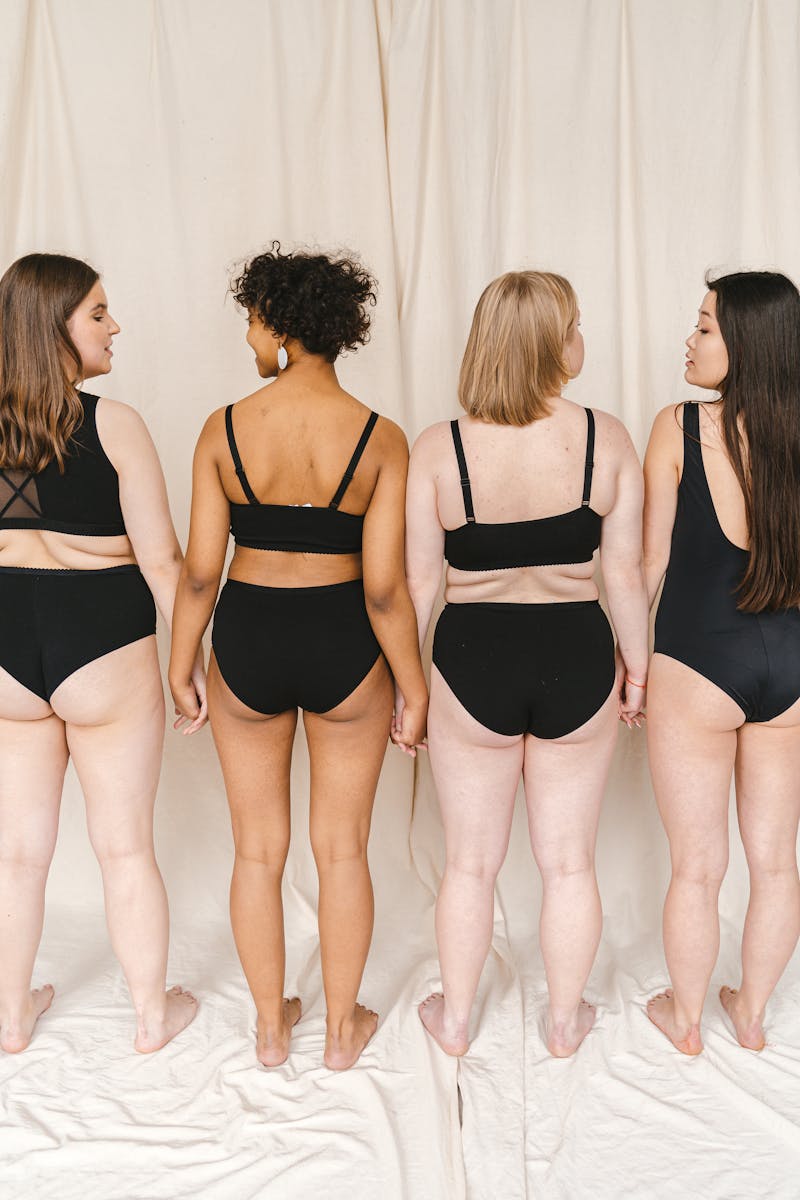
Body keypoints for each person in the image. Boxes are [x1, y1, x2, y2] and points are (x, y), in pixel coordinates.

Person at [169, 244, 427, 1070]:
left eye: (253, 319)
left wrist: (182, 660)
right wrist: (412, 686)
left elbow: (202, 569)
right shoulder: (381, 439)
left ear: (279, 326)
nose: (249, 335)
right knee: (342, 848)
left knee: (257, 849)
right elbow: (385, 590)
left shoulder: (225, 428)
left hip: (246, 637)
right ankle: (343, 1032)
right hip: (345, 643)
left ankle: (271, 1029)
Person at [405, 270, 648, 1058]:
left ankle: (458, 1020)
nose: (584, 338)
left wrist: (411, 692)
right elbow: (625, 576)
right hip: (577, 655)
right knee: (569, 862)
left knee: (470, 864)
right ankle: (564, 1021)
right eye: (575, 324)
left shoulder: (439, 448)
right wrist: (636, 669)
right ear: (553, 344)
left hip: (471, 658)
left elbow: (417, 583)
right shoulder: (605, 437)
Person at [0, 253, 204, 1054]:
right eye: (97, 313)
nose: (113, 326)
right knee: (124, 847)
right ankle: (153, 1017)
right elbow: (165, 566)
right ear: (54, 327)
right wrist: (189, 667)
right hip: (105, 648)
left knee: (16, 853)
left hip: (8, 650)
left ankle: (11, 1016)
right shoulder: (112, 424)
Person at [644, 271, 800, 1055]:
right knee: (777, 864)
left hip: (698, 661)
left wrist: (631, 667)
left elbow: (646, 567)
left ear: (746, 344)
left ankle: (687, 1019)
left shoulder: (677, 426)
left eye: (705, 327)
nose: (691, 339)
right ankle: (752, 1015)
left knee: (696, 868)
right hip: (793, 671)